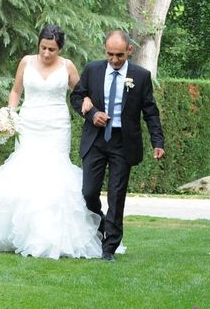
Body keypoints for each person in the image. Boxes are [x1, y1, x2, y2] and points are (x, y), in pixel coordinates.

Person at [0, 24, 102, 259]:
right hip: (29, 125)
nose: (47, 53)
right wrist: (9, 114)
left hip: (56, 127)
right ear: (38, 44)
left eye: (52, 49)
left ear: (60, 48)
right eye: (43, 47)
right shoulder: (26, 62)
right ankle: (22, 233)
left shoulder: (67, 66)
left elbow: (80, 91)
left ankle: (53, 236)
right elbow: (16, 91)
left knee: (54, 175)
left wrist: (88, 102)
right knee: (27, 174)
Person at [70, 30, 165, 262]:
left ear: (129, 51)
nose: (114, 60)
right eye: (110, 54)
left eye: (119, 55)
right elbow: (76, 97)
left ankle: (109, 247)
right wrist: (92, 113)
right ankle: (101, 223)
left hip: (124, 142)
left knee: (116, 194)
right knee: (88, 192)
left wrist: (157, 142)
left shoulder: (140, 76)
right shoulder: (93, 69)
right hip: (96, 140)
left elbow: (150, 111)